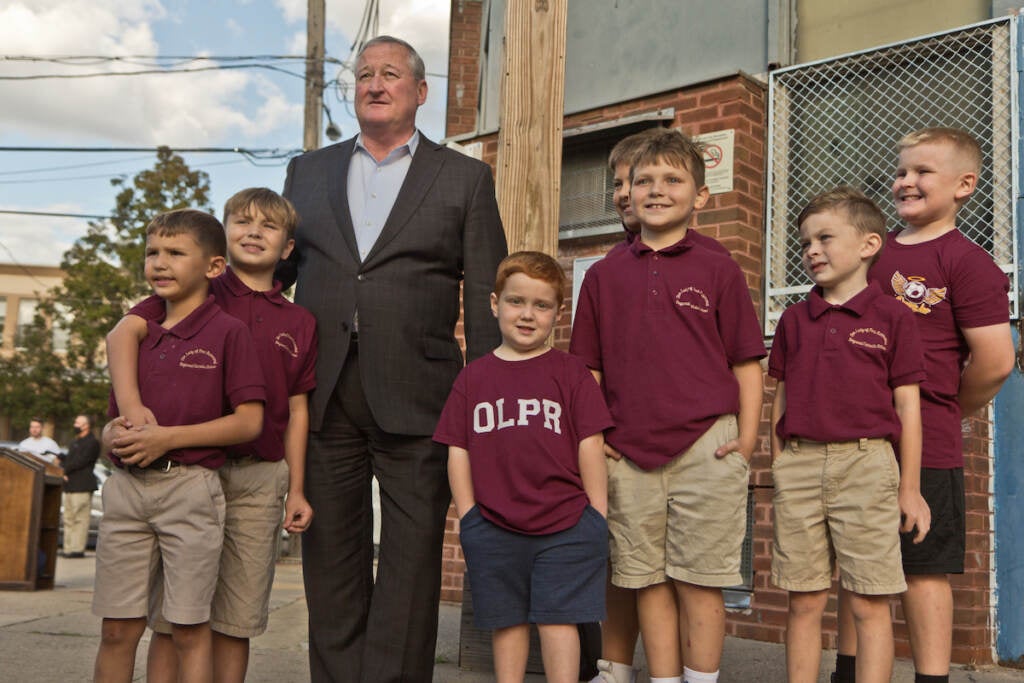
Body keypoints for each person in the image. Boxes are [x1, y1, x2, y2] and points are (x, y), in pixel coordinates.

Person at [275, 35, 508, 683]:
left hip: (421, 398)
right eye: (366, 75)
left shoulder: (464, 177)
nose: (376, 83)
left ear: (420, 92)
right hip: (323, 399)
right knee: (331, 565)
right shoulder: (307, 172)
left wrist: (487, 409)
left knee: (410, 570)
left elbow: (487, 299)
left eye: (392, 74)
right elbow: (274, 278)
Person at [571, 128, 766, 683]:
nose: (656, 190)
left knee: (700, 580)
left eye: (673, 180)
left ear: (700, 196)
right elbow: (589, 367)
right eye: (643, 181)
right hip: (627, 450)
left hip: (707, 444)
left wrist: (747, 439)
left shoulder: (718, 265)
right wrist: (596, 436)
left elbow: (746, 362)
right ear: (627, 193)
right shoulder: (604, 275)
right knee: (643, 579)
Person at [105, 189, 317, 683]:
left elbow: (298, 409)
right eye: (242, 221)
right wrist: (133, 418)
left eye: (268, 226)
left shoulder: (301, 322)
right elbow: (124, 333)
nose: (254, 231)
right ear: (223, 240)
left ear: (287, 248)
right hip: (189, 471)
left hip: (257, 476)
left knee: (233, 620)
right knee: (173, 617)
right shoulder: (193, 287)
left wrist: (297, 487)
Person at [833, 129, 1015, 683]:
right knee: (857, 566)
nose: (906, 181)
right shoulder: (869, 247)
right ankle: (849, 671)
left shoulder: (969, 263)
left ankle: (931, 678)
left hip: (927, 437)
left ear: (965, 185)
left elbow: (995, 361)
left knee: (923, 566)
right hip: (852, 435)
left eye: (923, 172)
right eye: (902, 170)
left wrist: (947, 408)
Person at [91, 209, 266, 683]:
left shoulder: (229, 333)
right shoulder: (139, 333)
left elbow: (250, 421)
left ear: (213, 268)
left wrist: (168, 439)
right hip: (127, 492)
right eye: (152, 253)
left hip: (190, 490)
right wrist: (115, 432)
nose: (160, 263)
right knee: (116, 629)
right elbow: (117, 420)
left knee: (187, 629)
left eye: (174, 253)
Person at [769, 187, 930, 683]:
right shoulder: (794, 319)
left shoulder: (894, 317)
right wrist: (779, 462)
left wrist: (909, 488)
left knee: (869, 600)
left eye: (824, 238)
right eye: (804, 243)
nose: (811, 250)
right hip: (800, 463)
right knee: (805, 599)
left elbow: (908, 407)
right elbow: (782, 396)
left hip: (867, 465)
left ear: (868, 245)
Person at [435, 251, 612, 683]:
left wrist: (597, 515)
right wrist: (469, 515)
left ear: (558, 312)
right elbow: (458, 449)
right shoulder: (473, 377)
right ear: (495, 303)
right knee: (507, 620)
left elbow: (591, 444)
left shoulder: (570, 373)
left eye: (541, 305)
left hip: (567, 523)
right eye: (516, 301)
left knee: (558, 619)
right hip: (494, 525)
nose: (527, 314)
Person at [58, 414, 100, 558]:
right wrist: (62, 462)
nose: (75, 424)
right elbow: (71, 459)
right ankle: (67, 548)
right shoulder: (75, 441)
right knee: (68, 519)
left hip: (82, 485)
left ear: (86, 425)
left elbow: (82, 461)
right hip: (69, 485)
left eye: (78, 422)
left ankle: (77, 549)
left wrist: (65, 469)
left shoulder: (92, 442)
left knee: (80, 519)